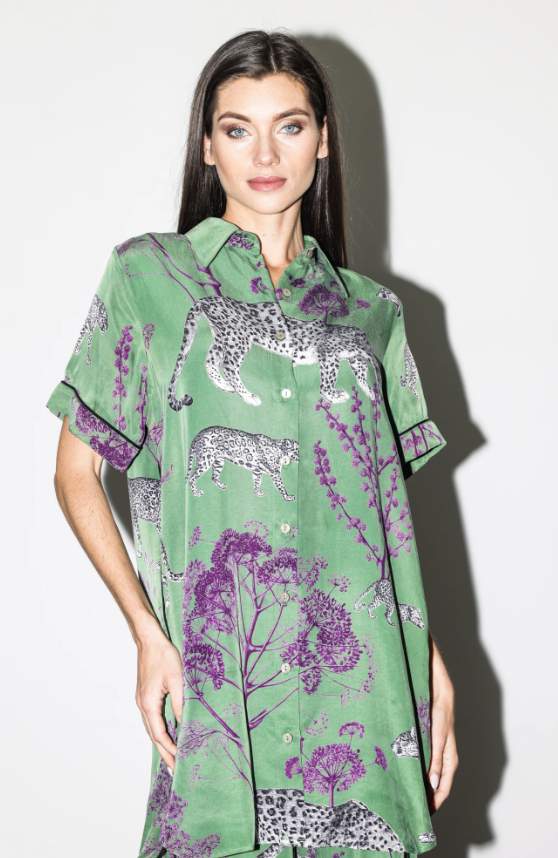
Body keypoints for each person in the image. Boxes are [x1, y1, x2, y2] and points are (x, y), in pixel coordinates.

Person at [47, 29, 458, 858]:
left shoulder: (373, 315)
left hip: (366, 680)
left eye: (290, 126)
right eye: (238, 129)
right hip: (226, 677)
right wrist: (147, 635)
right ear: (208, 146)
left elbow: (379, 525)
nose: (265, 154)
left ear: (323, 139)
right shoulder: (148, 278)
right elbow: (75, 473)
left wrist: (432, 662)